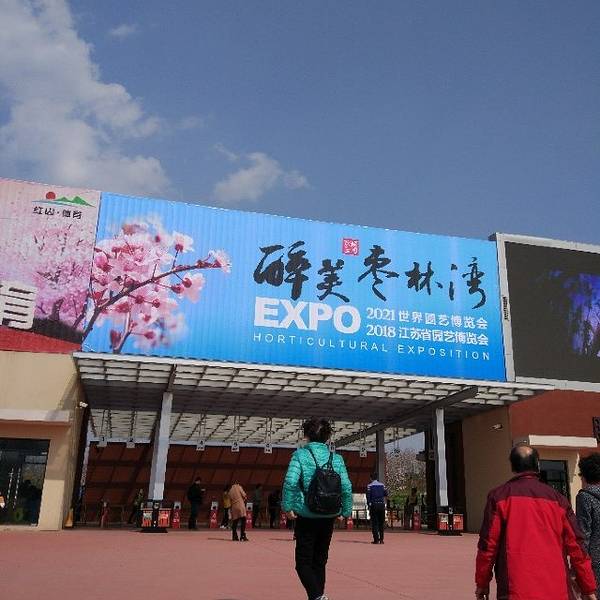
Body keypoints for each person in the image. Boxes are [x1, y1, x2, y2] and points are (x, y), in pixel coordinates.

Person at [475, 444, 597, 600]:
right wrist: (588, 587)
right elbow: (577, 546)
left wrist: (482, 583)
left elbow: (488, 546)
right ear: (537, 465)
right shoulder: (558, 499)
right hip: (557, 590)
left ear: (513, 467)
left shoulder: (499, 497)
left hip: (515, 589)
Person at [282, 418, 353, 600]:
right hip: (329, 515)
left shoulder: (300, 455)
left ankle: (317, 597)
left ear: (306, 435)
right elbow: (346, 487)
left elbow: (290, 482)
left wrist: (287, 507)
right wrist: (345, 512)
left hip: (307, 515)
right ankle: (318, 596)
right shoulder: (337, 459)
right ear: (328, 438)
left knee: (303, 563)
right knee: (319, 562)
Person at [577, 453, 600, 594]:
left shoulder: (584, 497)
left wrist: (578, 567)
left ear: (583, 476)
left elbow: (583, 534)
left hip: (595, 561)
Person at [366, 472, 388, 544]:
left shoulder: (369, 486)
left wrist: (369, 505)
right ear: (377, 478)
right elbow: (386, 494)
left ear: (371, 478)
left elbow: (368, 497)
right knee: (381, 523)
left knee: (375, 523)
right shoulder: (382, 485)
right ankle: (381, 540)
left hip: (374, 505)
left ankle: (376, 540)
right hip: (381, 505)